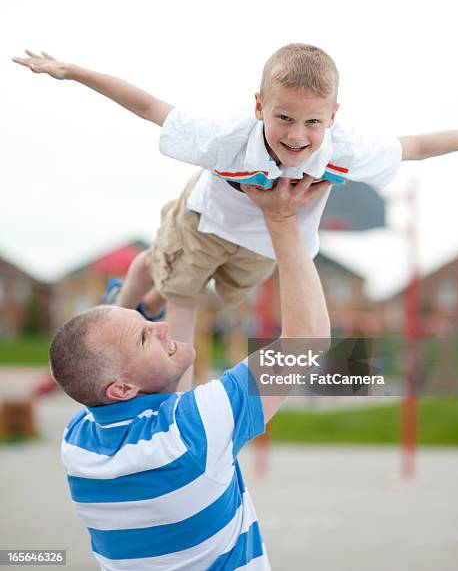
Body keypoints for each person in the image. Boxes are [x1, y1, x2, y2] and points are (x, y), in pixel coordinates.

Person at [14, 44, 458, 391]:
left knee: (197, 286)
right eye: (283, 118)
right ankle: (174, 393)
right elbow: (149, 107)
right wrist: (74, 72)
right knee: (185, 296)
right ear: (259, 106)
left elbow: (416, 146)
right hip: (204, 221)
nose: (297, 135)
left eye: (312, 122)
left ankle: (147, 272)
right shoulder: (225, 136)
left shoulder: (346, 148)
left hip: (262, 245)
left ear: (333, 116)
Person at [49, 175, 330, 571]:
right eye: (145, 337)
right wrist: (282, 220)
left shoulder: (81, 446)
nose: (160, 326)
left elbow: (88, 361)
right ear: (122, 388)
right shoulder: (194, 428)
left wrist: (156, 289)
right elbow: (307, 340)